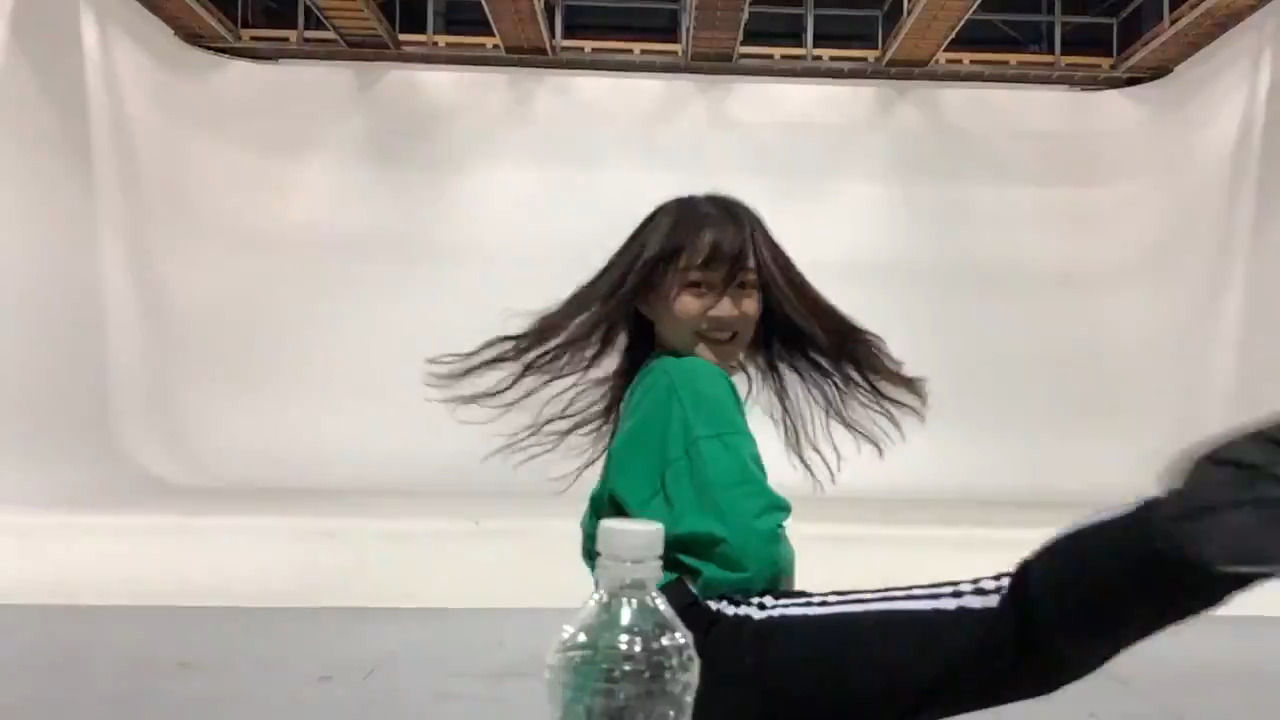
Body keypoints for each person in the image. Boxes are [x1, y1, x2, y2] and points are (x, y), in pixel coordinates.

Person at [427, 193, 1279, 720]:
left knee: (1010, 632)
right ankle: (1216, 523)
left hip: (683, 644)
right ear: (650, 296)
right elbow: (743, 543)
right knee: (1007, 618)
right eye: (701, 287)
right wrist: (770, 596)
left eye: (744, 288)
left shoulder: (657, 383)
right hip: (721, 636)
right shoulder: (687, 383)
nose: (729, 310)